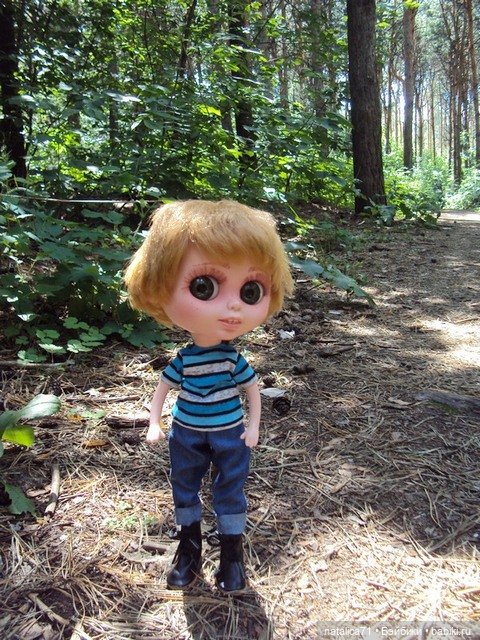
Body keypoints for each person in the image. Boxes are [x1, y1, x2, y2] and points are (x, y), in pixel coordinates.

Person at [124, 199, 293, 592]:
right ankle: (189, 549)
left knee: (230, 489)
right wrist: (154, 422)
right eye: (204, 287)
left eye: (251, 290)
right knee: (184, 485)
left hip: (230, 433)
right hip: (186, 432)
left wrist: (253, 426)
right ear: (157, 287)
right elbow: (163, 389)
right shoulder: (184, 360)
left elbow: (252, 390)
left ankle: (232, 556)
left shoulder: (234, 360)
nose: (233, 305)